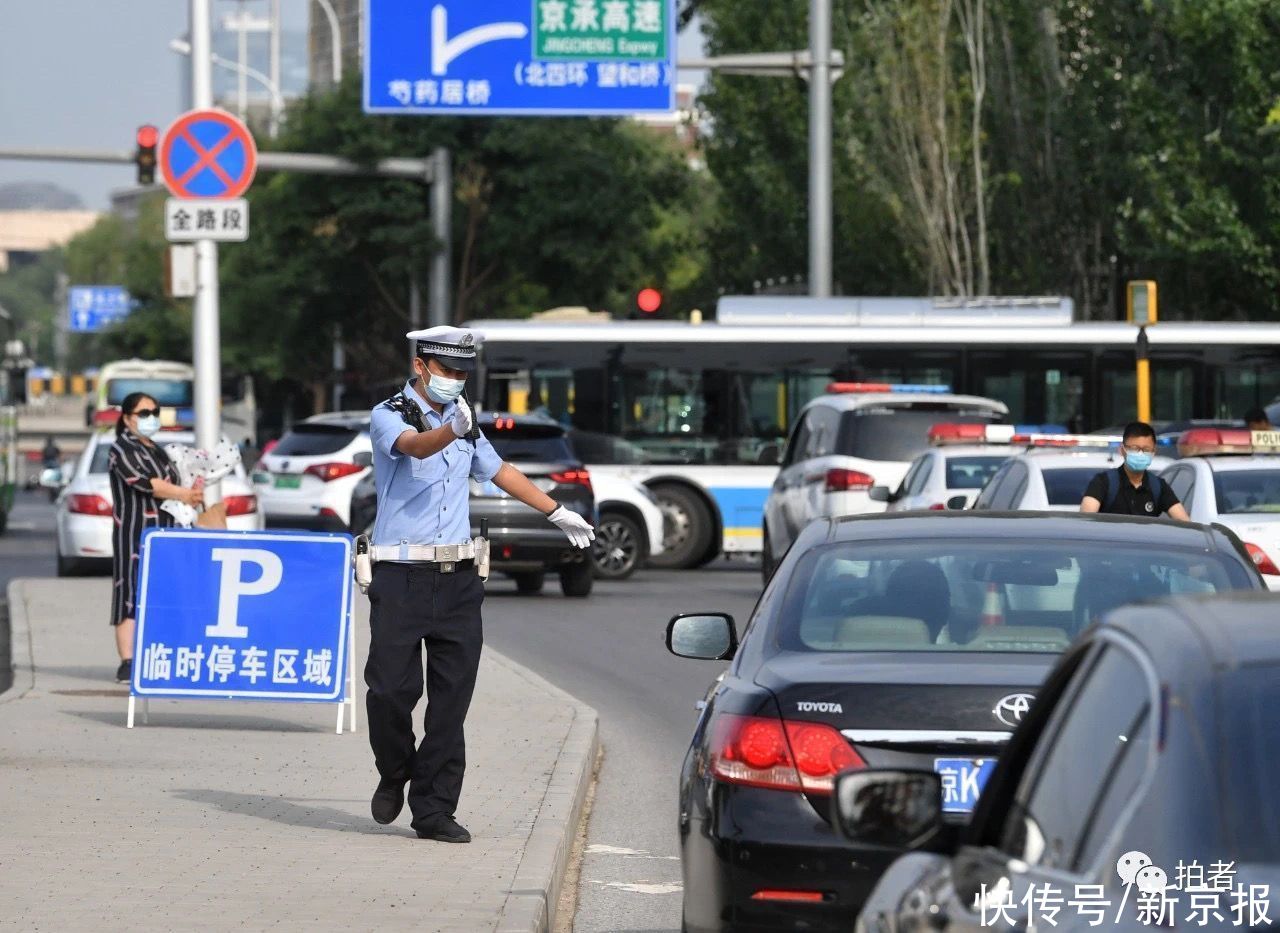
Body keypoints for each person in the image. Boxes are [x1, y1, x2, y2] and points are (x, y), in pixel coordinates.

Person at [365, 326, 595, 843]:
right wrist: (452, 430)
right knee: (389, 691)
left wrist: (557, 511)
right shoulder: (390, 414)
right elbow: (416, 448)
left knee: (451, 703)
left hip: (458, 579)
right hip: (401, 575)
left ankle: (434, 809)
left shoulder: (464, 422)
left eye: (464, 373)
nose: (456, 381)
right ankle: (394, 769)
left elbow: (499, 471)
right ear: (421, 365)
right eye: (449, 371)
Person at [107, 393, 204, 682]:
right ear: (127, 417)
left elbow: (173, 482)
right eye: (143, 412)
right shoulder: (121, 449)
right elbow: (146, 483)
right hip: (135, 532)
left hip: (166, 532)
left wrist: (193, 490)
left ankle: (159, 653)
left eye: (155, 412)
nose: (150, 418)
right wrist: (183, 493)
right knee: (129, 592)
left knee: (163, 592)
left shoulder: (158, 450)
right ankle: (128, 660)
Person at [1080, 421, 1189, 520]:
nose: (1140, 454)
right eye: (1134, 449)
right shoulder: (1102, 483)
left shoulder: (1158, 487)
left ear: (1154, 451)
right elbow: (1085, 521)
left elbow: (1185, 524)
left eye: (1146, 449)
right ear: (1122, 450)